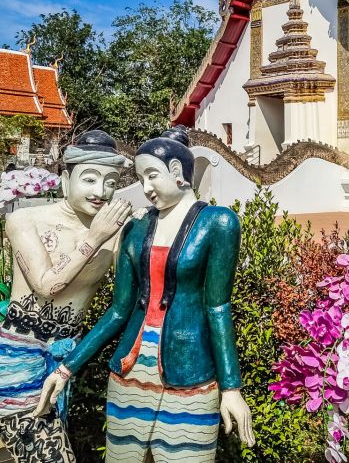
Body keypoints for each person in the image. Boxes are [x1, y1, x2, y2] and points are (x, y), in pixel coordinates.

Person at [34, 126, 254, 462]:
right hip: (130, 373)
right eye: (140, 177)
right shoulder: (135, 229)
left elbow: (217, 307)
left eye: (151, 175)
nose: (145, 187)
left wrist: (232, 388)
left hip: (189, 375)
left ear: (178, 172)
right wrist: (67, 368)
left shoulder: (218, 223)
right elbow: (119, 311)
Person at [0, 131, 133, 462]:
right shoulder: (25, 219)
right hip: (11, 367)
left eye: (111, 182)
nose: (101, 192)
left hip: (60, 365)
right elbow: (47, 285)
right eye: (90, 179)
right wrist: (96, 236)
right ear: (65, 180)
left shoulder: (117, 236)